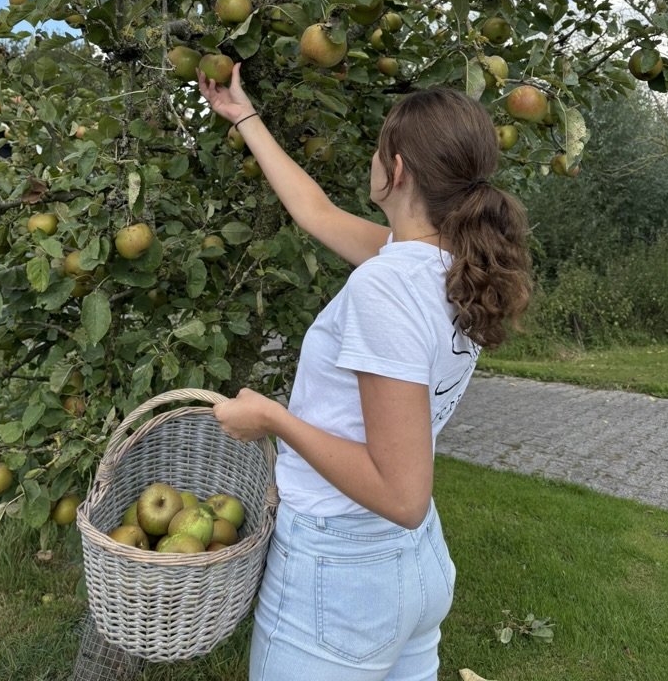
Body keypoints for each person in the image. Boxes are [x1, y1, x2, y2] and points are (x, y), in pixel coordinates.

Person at [197, 64, 532, 681]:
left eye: (380, 147)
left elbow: (404, 496)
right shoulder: (449, 267)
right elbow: (316, 212)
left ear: (396, 169)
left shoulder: (387, 284)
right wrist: (243, 115)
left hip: (342, 573)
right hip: (410, 567)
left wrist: (273, 419)